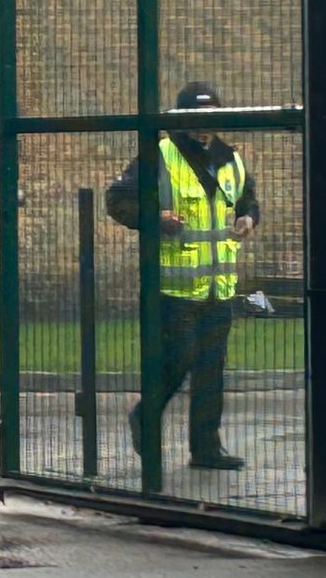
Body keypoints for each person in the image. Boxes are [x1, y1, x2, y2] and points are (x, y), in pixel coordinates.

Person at [104, 81, 259, 471]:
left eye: (211, 118)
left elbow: (249, 201)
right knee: (178, 360)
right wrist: (153, 218)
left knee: (211, 369)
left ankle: (206, 449)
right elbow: (118, 200)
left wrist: (248, 219)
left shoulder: (231, 159)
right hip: (173, 287)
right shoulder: (160, 154)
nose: (204, 127)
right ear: (181, 119)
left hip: (219, 286)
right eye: (196, 118)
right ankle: (145, 417)